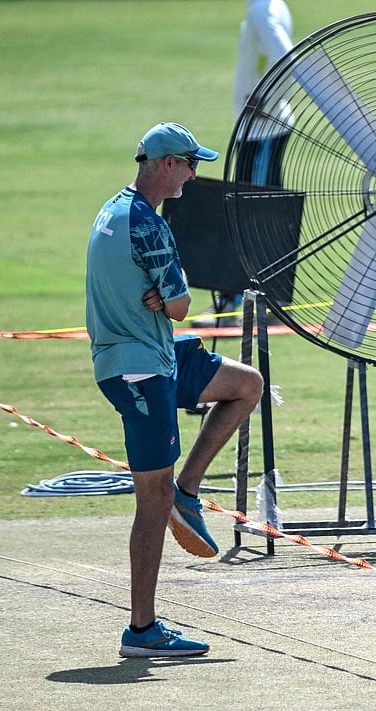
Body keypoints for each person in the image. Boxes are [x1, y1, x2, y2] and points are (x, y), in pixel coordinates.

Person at [87, 122, 265, 656]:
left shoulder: (114, 209)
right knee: (150, 500)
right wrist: (166, 302)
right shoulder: (149, 227)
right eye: (191, 163)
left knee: (246, 384)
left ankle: (189, 491)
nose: (194, 173)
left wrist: (162, 303)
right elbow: (182, 303)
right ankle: (141, 631)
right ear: (166, 165)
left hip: (155, 352)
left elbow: (168, 305)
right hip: (140, 370)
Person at [192, 0, 295, 328]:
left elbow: (289, 60)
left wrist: (267, 98)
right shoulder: (267, 6)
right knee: (252, 212)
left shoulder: (263, 9)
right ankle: (252, 300)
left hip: (263, 127)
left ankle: (253, 302)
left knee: (254, 215)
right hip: (258, 128)